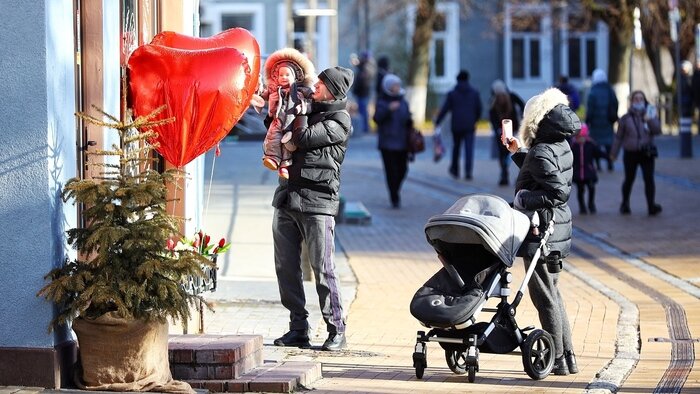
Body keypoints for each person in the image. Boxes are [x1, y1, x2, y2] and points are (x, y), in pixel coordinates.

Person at [271, 66, 354, 351]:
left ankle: (337, 329)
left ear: (334, 90)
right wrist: (286, 111)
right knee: (286, 267)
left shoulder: (339, 120)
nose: (315, 85)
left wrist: (299, 111)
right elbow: (278, 127)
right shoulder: (305, 109)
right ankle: (298, 328)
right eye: (316, 80)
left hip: (318, 202)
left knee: (322, 268)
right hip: (287, 197)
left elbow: (301, 139)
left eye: (322, 83)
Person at [505, 87, 579, 376]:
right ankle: (568, 357)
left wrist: (523, 199)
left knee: (544, 297)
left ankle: (557, 359)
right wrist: (518, 153)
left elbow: (557, 191)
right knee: (554, 293)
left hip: (542, 231)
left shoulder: (541, 150)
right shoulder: (558, 143)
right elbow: (544, 170)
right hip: (557, 229)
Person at [260, 48, 315, 179]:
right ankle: (272, 157)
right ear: (276, 77)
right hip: (278, 120)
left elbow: (312, 98)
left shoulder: (301, 90)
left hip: (292, 121)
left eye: (287, 75)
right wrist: (265, 101)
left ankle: (284, 165)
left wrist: (303, 105)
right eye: (281, 75)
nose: (283, 78)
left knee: (287, 144)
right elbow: (262, 95)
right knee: (273, 136)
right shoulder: (275, 90)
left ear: (295, 76)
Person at [610, 90, 663, 216]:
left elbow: (657, 130)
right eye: (636, 99)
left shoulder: (650, 114)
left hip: (647, 152)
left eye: (641, 99)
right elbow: (618, 137)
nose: (638, 101)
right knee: (629, 179)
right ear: (632, 102)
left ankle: (651, 206)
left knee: (649, 179)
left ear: (645, 101)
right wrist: (614, 153)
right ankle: (625, 204)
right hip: (631, 153)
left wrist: (649, 120)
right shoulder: (625, 118)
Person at [373, 74, 413, 209]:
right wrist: (388, 110)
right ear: (389, 87)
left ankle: (396, 189)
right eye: (394, 85)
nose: (397, 87)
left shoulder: (403, 101)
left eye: (398, 85)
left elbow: (408, 119)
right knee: (391, 172)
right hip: (387, 143)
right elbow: (377, 119)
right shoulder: (382, 102)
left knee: (403, 169)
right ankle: (394, 196)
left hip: (402, 143)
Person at [434, 70, 482, 180]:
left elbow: (445, 109)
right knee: (469, 149)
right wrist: (475, 120)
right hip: (470, 125)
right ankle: (468, 172)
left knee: (456, 148)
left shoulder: (452, 93)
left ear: (457, 80)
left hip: (456, 125)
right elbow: (479, 109)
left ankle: (455, 170)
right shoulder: (474, 93)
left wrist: (438, 121)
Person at [489, 80, 521, 186]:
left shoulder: (510, 98)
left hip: (509, 130)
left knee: (510, 153)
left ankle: (506, 175)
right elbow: (492, 117)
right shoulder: (495, 103)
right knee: (506, 153)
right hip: (503, 131)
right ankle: (504, 174)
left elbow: (523, 105)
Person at [586, 68, 618, 172]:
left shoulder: (593, 91)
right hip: (608, 122)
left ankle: (598, 165)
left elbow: (590, 108)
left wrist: (588, 121)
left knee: (596, 144)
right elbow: (615, 103)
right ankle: (610, 163)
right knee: (608, 143)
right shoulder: (610, 89)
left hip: (595, 123)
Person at [570, 123, 603, 214]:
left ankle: (591, 204)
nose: (581, 139)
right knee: (580, 190)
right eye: (579, 137)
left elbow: (599, 153)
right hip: (578, 172)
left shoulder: (591, 144)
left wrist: (609, 157)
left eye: (583, 137)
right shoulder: (573, 146)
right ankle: (582, 206)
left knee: (591, 188)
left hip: (589, 171)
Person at [351, 51, 375, 134]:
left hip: (363, 93)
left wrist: (356, 90)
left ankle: (365, 128)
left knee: (363, 111)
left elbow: (362, 81)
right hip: (363, 93)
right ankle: (365, 128)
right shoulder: (366, 67)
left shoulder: (366, 68)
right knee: (363, 110)